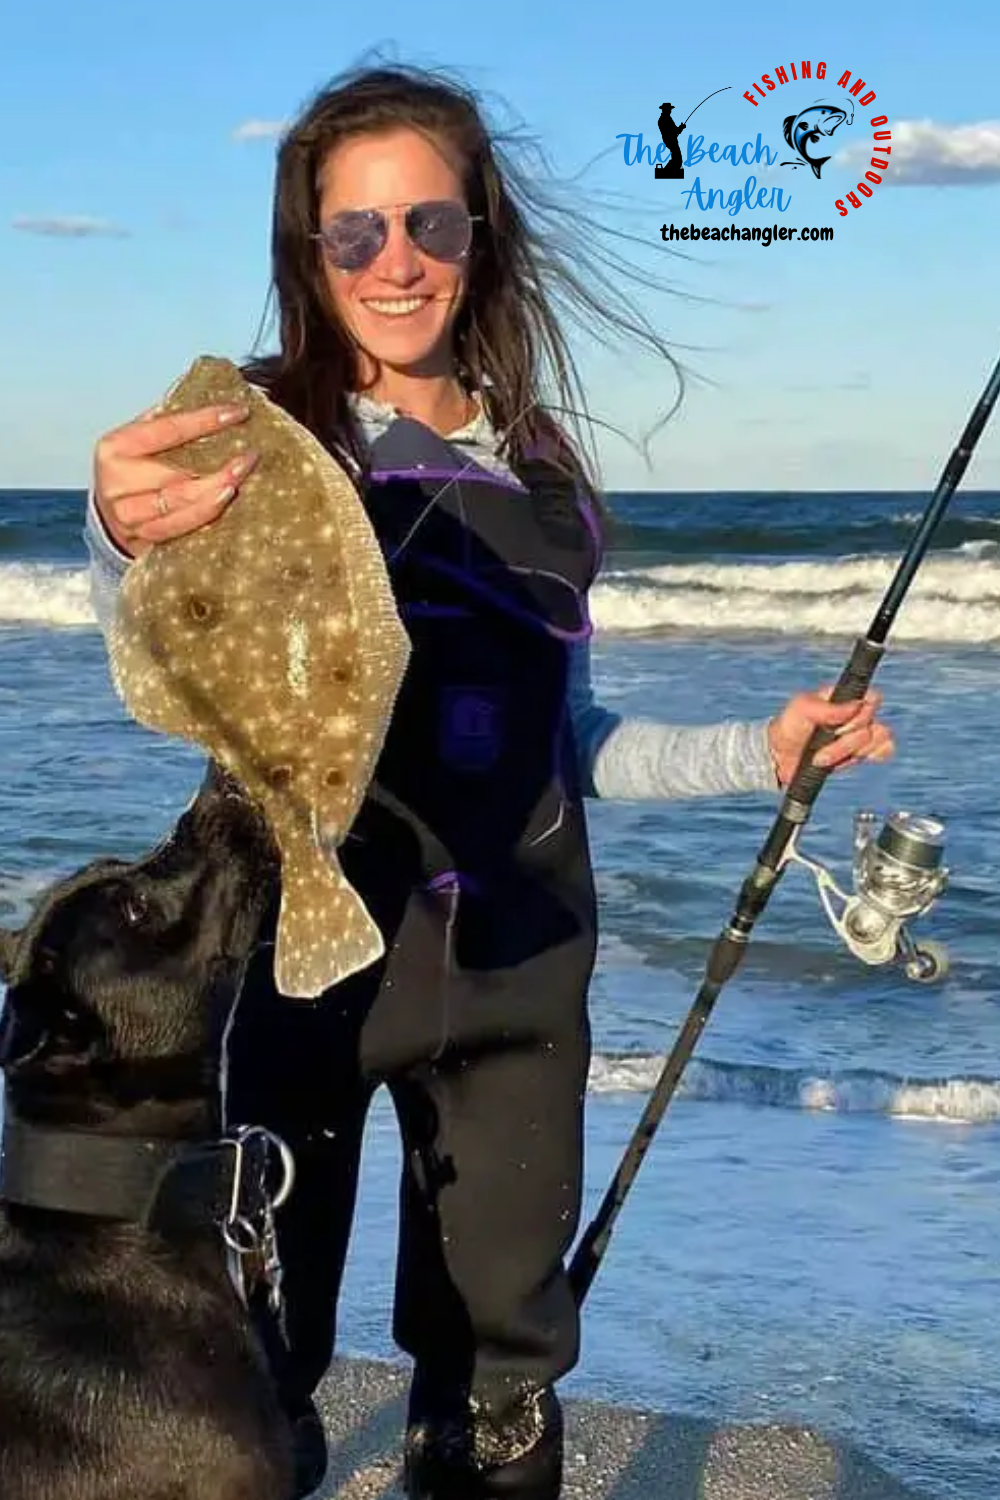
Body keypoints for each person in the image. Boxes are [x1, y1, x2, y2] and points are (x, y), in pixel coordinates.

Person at [85, 64, 893, 1500]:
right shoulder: (255, 441)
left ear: (481, 238)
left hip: (516, 971)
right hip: (297, 961)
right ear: (309, 254)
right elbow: (156, 635)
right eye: (355, 234)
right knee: (254, 1347)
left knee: (502, 1367)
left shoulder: (544, 474)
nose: (397, 263)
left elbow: (565, 741)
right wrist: (114, 534)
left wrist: (757, 756)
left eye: (430, 227)